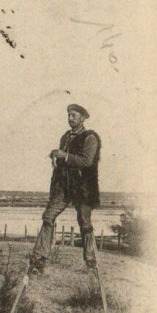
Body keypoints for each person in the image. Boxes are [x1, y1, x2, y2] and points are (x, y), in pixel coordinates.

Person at [30, 104, 101, 275]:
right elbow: (65, 160)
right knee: (48, 216)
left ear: (83, 118)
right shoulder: (65, 137)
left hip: (83, 187)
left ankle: (91, 262)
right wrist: (56, 158)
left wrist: (65, 156)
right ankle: (39, 260)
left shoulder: (90, 138)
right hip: (64, 186)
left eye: (74, 115)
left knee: (84, 223)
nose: (70, 118)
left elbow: (86, 161)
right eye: (68, 115)